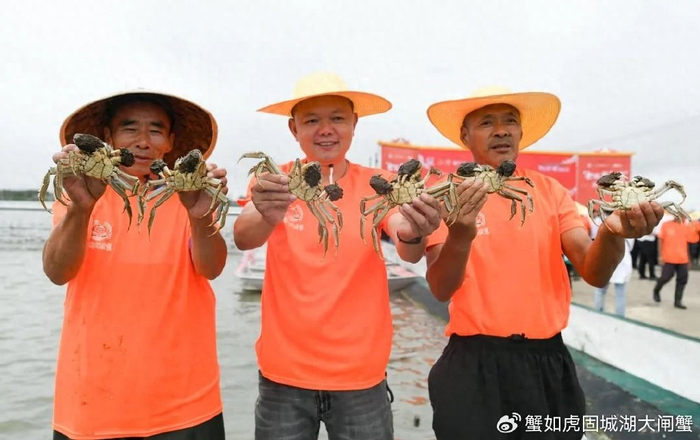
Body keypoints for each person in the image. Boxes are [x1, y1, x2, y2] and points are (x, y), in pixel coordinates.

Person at [421, 86, 664, 440]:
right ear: (465, 135)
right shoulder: (446, 194)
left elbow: (593, 271)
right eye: (486, 123)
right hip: (473, 364)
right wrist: (460, 234)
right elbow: (441, 288)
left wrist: (612, 232)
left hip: (547, 361)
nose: (501, 131)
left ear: (520, 132)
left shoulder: (550, 191)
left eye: (510, 121)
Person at [233, 72, 442, 440]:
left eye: (337, 118)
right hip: (283, 374)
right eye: (312, 120)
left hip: (361, 375)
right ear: (294, 128)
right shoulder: (275, 182)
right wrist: (266, 210)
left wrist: (415, 228)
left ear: (354, 124)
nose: (325, 129)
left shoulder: (379, 185)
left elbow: (406, 241)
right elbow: (244, 236)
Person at [43, 91, 228, 440]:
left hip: (187, 402)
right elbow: (57, 272)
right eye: (129, 129)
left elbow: (212, 268)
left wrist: (200, 214)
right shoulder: (80, 191)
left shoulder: (190, 195)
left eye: (156, 130)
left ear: (170, 142)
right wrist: (81, 208)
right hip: (91, 402)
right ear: (108, 137)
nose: (143, 141)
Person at [652, 216, 700, 309]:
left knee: (682, 280)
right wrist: (660, 256)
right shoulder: (666, 225)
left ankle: (678, 301)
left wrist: (689, 260)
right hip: (668, 257)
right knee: (666, 277)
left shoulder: (686, 227)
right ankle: (657, 289)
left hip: (683, 259)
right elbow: (660, 239)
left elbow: (690, 241)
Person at [593, 238, 635, 316]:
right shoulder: (629, 231)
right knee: (620, 293)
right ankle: (620, 317)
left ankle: (597, 312)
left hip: (606, 257)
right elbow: (631, 245)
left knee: (600, 290)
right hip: (623, 259)